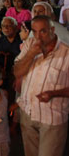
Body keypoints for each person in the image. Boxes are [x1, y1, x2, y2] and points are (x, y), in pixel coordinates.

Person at [13, 15, 69, 156]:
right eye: (34, 31)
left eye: (43, 31)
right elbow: (17, 72)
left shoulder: (66, 53)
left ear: (52, 30)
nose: (38, 37)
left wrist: (53, 93)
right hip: (28, 113)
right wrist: (31, 54)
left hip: (51, 118)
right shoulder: (30, 44)